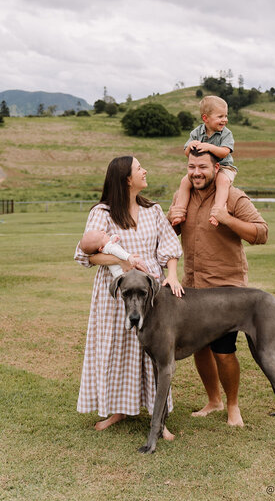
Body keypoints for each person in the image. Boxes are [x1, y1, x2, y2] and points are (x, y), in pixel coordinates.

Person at [75, 155, 184, 436]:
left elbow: (170, 246)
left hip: (150, 292)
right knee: (118, 348)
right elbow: (86, 253)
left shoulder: (153, 210)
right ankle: (118, 409)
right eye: (139, 168)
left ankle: (158, 418)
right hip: (117, 294)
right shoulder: (103, 212)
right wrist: (120, 262)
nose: (145, 171)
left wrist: (171, 274)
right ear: (126, 179)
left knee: (155, 350)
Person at [168, 147, 268, 427]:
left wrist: (227, 218)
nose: (196, 172)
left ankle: (233, 406)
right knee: (199, 348)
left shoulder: (233, 196)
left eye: (202, 167)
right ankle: (214, 401)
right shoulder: (182, 196)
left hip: (226, 291)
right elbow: (168, 233)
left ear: (216, 169)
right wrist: (171, 219)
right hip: (193, 288)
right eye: (191, 167)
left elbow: (262, 232)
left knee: (224, 351)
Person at [171, 95, 237, 227]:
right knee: (185, 181)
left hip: (224, 167)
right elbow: (187, 152)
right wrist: (190, 146)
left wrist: (209, 147)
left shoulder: (226, 133)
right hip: (203, 169)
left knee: (222, 181)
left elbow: (225, 152)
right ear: (205, 118)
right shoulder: (196, 133)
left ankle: (218, 211)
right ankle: (180, 211)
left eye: (226, 116)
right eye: (220, 116)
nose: (225, 120)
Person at [79, 229, 151, 279]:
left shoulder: (106, 246)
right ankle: (149, 274)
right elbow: (119, 252)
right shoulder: (109, 247)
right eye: (102, 236)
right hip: (122, 272)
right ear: (100, 248)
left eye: (102, 232)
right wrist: (129, 257)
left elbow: (110, 239)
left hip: (120, 274)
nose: (104, 232)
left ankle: (148, 274)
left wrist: (114, 237)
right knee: (139, 261)